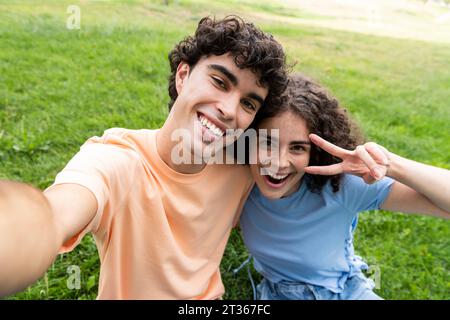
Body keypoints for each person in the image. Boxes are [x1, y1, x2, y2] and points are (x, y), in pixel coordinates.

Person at [0, 16, 288, 299]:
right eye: (219, 82)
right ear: (183, 76)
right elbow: (58, 212)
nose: (228, 109)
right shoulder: (118, 161)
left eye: (248, 103)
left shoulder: (243, 166)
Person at [239, 73, 450, 300]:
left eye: (298, 148)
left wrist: (391, 165)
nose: (279, 163)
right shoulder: (238, 182)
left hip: (343, 292)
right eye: (268, 142)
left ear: (315, 153)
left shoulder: (340, 186)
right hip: (277, 294)